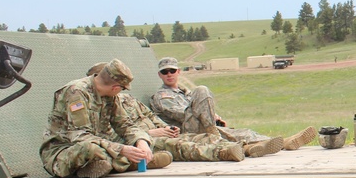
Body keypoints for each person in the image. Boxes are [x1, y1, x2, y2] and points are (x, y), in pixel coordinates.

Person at [149, 57, 315, 157]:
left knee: (242, 132)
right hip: (186, 133)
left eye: (172, 70)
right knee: (202, 90)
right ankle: (219, 135)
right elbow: (181, 115)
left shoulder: (185, 93)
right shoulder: (162, 96)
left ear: (178, 72)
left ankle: (275, 144)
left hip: (202, 127)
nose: (169, 74)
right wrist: (209, 119)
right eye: (165, 72)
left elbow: (199, 109)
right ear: (159, 75)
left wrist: (215, 118)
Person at [84, 63, 245, 163]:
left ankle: (243, 147)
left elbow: (150, 116)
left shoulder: (128, 100)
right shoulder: (99, 105)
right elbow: (111, 134)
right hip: (144, 141)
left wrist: (166, 128)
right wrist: (150, 133)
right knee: (181, 147)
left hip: (159, 134)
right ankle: (223, 152)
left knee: (200, 138)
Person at [40, 59, 172, 178]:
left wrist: (141, 141)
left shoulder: (110, 96)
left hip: (100, 147)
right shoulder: (76, 92)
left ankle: (114, 164)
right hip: (63, 153)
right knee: (91, 149)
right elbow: (80, 136)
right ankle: (130, 163)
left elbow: (125, 125)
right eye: (122, 89)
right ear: (116, 87)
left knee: (124, 147)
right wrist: (121, 149)